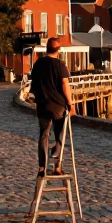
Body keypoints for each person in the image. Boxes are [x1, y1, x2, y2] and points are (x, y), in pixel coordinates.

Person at [29, 37, 73, 177]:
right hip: (58, 105)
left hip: (42, 105)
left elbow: (33, 85)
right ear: (58, 50)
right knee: (60, 134)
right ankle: (57, 164)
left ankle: (42, 167)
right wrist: (70, 104)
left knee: (44, 135)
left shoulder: (38, 64)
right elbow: (65, 85)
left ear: (46, 48)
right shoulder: (60, 64)